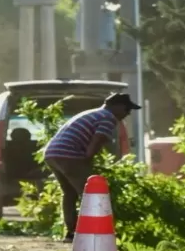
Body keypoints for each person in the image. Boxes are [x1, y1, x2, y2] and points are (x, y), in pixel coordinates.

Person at [43, 92, 142, 241]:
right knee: (90, 193)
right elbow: (96, 141)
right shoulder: (108, 118)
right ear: (118, 106)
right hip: (69, 154)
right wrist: (87, 160)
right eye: (127, 109)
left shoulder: (93, 113)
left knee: (69, 193)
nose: (127, 113)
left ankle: (71, 233)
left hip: (52, 153)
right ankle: (93, 232)